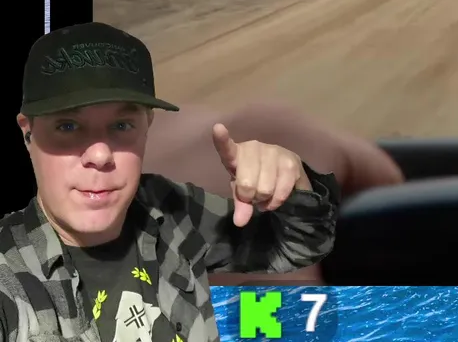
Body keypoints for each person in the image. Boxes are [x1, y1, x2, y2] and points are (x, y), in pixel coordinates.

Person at [0, 23, 341, 342]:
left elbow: (300, 247)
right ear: (28, 133)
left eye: (121, 125)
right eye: (68, 126)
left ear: (146, 126)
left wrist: (293, 184)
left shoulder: (171, 211)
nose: (100, 154)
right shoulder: (8, 273)